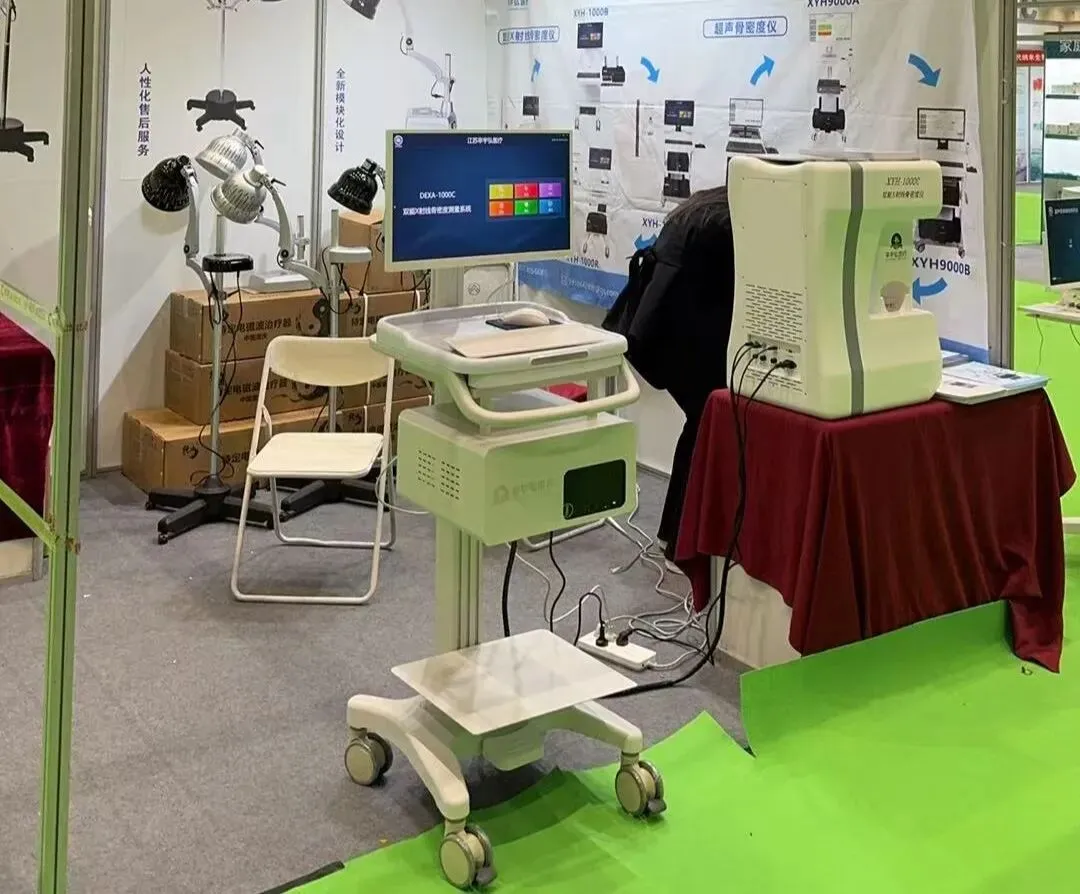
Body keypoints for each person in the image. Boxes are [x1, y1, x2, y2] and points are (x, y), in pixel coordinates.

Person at [603, 187, 735, 560]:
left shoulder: (710, 207)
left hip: (656, 328)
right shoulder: (729, 221)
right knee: (710, 420)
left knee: (703, 421)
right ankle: (684, 542)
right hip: (679, 333)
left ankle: (678, 538)